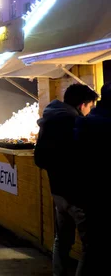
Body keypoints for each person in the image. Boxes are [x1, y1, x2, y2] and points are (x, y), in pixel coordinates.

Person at [35, 83, 98, 276]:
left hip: (58, 191)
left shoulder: (50, 120)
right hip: (77, 193)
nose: (90, 111)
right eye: (90, 106)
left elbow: (40, 158)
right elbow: (83, 159)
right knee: (92, 245)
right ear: (82, 105)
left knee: (62, 239)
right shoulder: (74, 124)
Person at [75, 82, 111, 270]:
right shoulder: (102, 123)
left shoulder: (86, 122)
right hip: (101, 193)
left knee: (93, 246)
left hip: (88, 193)